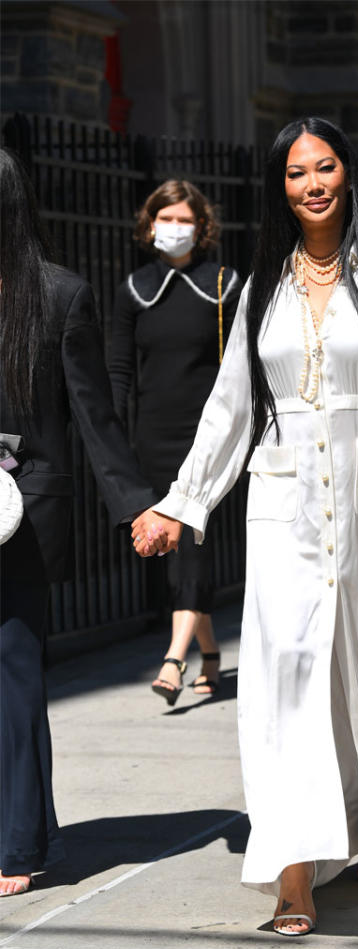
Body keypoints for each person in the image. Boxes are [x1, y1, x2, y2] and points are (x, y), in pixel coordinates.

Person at [132, 118, 358, 935]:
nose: (312, 183)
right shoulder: (261, 288)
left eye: (325, 167)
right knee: (285, 684)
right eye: (295, 172)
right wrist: (183, 501)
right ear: (279, 187)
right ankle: (291, 868)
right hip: (284, 511)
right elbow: (232, 409)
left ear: (349, 174)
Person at [0, 148, 156, 896]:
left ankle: (18, 845)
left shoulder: (59, 297)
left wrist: (135, 504)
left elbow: (94, 416)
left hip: (18, 516)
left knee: (13, 674)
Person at [109, 181, 240, 705]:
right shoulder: (134, 290)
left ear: (202, 226)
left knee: (194, 547)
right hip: (153, 439)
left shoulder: (226, 284)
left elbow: (240, 368)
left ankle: (174, 657)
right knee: (175, 550)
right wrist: (113, 437)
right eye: (165, 219)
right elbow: (119, 370)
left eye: (184, 219)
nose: (174, 228)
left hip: (208, 437)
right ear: (149, 225)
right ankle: (209, 655)